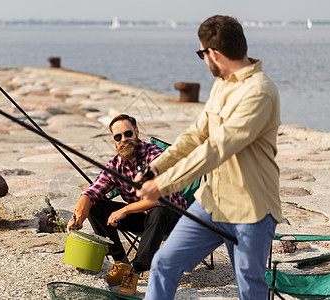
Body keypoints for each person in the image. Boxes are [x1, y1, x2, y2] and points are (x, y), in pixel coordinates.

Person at [136, 15, 282, 300]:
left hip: (251, 211)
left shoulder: (260, 92)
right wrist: (155, 168)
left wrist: (163, 186)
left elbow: (217, 148)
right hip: (211, 203)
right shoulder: (222, 83)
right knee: (164, 263)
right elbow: (196, 135)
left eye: (202, 54)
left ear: (213, 53)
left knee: (250, 288)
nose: (204, 60)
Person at [67, 113, 186, 296]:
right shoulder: (115, 165)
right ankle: (121, 263)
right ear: (114, 141)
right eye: (118, 137)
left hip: (172, 216)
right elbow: (90, 193)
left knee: (157, 212)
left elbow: (159, 197)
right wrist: (77, 217)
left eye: (128, 134)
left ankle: (135, 272)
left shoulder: (154, 155)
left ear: (136, 132)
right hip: (143, 217)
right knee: (96, 206)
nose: (124, 140)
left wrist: (124, 209)